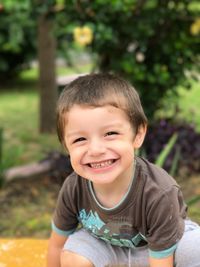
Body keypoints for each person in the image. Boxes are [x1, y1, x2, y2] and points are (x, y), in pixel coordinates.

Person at [47, 73, 200, 267]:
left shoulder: (158, 192)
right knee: (72, 254)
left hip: (163, 249)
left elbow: (162, 262)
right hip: (107, 245)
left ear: (138, 134)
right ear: (66, 146)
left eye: (110, 133)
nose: (96, 150)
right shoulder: (74, 187)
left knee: (195, 248)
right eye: (79, 139)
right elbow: (56, 245)